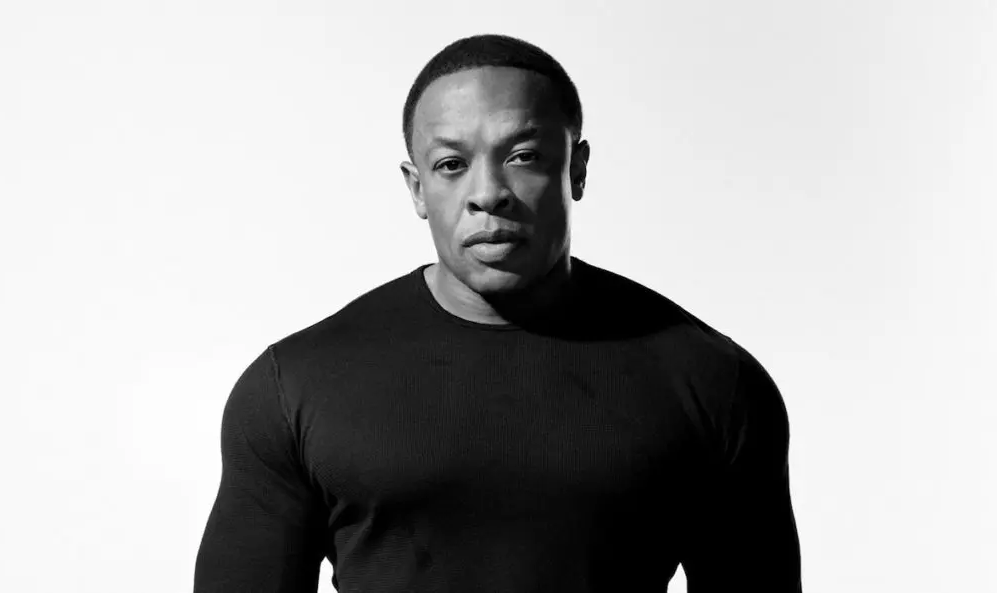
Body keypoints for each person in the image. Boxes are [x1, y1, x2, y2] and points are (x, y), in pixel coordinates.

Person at [194, 33, 802, 592]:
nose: (487, 194)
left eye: (523, 156)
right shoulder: (295, 386)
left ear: (577, 169)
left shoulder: (712, 383)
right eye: (451, 165)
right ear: (416, 188)